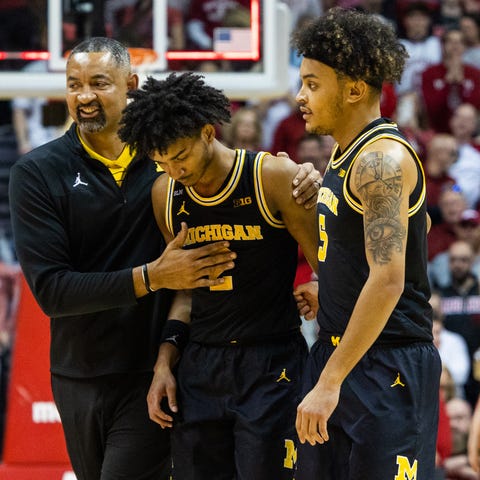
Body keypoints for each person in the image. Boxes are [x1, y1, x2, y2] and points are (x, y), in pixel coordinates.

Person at [8, 37, 321, 480]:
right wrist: (153, 277)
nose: (84, 96)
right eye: (73, 84)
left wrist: (299, 178)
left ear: (130, 84)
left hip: (174, 366)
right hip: (84, 369)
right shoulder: (40, 173)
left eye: (98, 82)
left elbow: (249, 194)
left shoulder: (170, 157)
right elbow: (53, 292)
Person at [117, 72, 319, 480]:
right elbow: (186, 288)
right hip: (201, 366)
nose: (175, 171)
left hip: (271, 362)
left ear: (208, 132)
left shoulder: (271, 177)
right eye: (162, 162)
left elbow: (330, 262)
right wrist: (164, 361)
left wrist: (319, 284)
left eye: (180, 156)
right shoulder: (166, 195)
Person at [291, 7, 442, 479]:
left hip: (387, 362)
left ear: (354, 88)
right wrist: (329, 283)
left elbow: (389, 278)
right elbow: (421, 229)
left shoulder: (383, 161)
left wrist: (329, 382)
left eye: (314, 84)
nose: (301, 96)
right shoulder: (345, 151)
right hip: (341, 351)